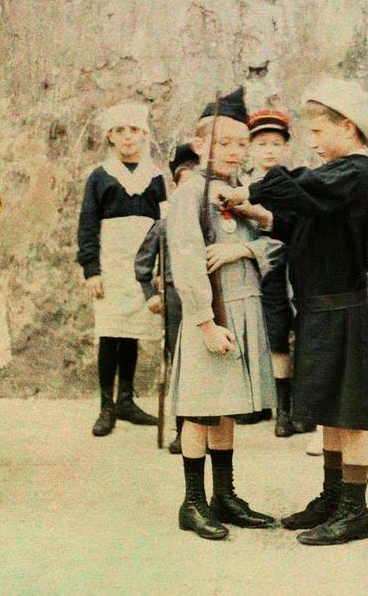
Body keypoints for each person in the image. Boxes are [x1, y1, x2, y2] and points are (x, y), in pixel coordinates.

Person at [221, 76, 368, 546]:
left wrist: (251, 190)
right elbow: (301, 223)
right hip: (318, 308)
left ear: (347, 127)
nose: (311, 140)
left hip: (342, 309)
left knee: (349, 415)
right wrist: (258, 214)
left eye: (318, 130)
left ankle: (355, 510)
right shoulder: (334, 179)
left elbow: (299, 186)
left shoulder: (353, 173)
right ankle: (333, 498)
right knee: (331, 410)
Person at [168, 88, 280, 540]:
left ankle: (224, 496)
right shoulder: (190, 193)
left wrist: (244, 249)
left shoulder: (240, 193)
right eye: (224, 142)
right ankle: (193, 502)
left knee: (226, 407)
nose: (234, 151)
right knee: (200, 410)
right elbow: (186, 260)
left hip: (245, 307)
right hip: (212, 315)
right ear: (200, 145)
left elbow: (275, 242)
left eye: (241, 143)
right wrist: (205, 323)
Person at [77, 101, 166, 436]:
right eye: (120, 130)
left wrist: (161, 267)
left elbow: (163, 225)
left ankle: (126, 400)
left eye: (134, 130)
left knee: (133, 332)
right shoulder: (100, 177)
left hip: (143, 266)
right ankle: (106, 406)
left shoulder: (155, 177)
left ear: (144, 135)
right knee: (110, 331)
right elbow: (87, 226)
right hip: (111, 265)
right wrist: (92, 270)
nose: (127, 137)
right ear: (110, 136)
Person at [134, 143, 199, 454]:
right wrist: (151, 295)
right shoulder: (164, 224)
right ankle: (183, 430)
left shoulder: (210, 222)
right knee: (182, 362)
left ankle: (208, 428)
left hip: (207, 295)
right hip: (175, 295)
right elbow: (142, 264)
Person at [243, 109, 297, 434]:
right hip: (245, 267)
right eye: (262, 144)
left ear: (286, 147)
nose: (269, 150)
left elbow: (290, 227)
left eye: (276, 144)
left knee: (278, 335)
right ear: (251, 147)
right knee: (248, 331)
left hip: (280, 268)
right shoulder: (241, 184)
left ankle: (285, 408)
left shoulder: (291, 184)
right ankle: (257, 402)